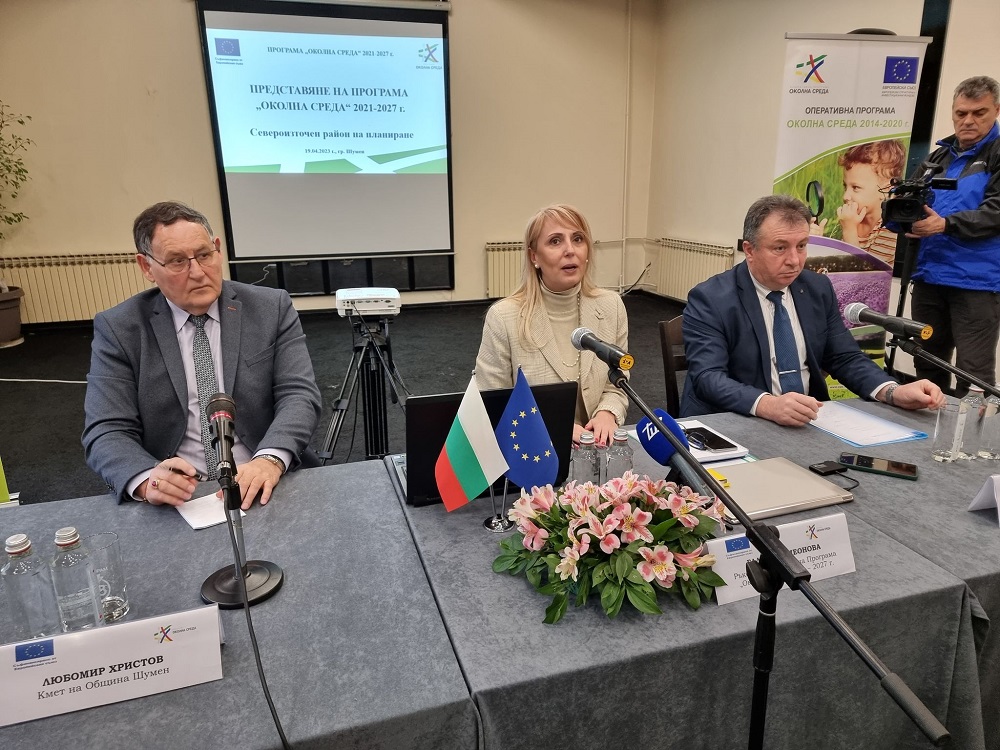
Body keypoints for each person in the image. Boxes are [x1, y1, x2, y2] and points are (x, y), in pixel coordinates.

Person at [83, 201, 322, 508]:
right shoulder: (120, 328)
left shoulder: (270, 308)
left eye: (205, 255)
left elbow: (298, 395)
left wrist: (270, 459)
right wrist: (146, 479)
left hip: (265, 478)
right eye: (177, 261)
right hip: (180, 498)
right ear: (147, 267)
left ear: (217, 249)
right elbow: (106, 428)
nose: (197, 272)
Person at [681, 195, 943, 426]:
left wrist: (892, 391)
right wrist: (767, 404)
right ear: (750, 250)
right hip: (735, 421)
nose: (794, 260)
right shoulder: (711, 298)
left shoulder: (817, 287)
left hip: (808, 420)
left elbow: (844, 358)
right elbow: (707, 377)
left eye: (802, 246)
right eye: (780, 248)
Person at [474, 204, 628, 445]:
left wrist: (607, 413)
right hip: (534, 452)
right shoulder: (504, 317)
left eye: (578, 239)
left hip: (597, 448)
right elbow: (492, 403)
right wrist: (556, 426)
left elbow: (617, 382)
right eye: (555, 241)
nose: (570, 250)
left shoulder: (611, 306)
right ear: (534, 256)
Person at [908, 75, 1000, 396]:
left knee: (973, 375)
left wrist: (945, 224)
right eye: (961, 113)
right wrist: (899, 216)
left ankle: (972, 432)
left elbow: (996, 212)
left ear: (996, 110)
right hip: (929, 278)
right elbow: (910, 204)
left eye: (979, 113)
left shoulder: (997, 153)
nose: (968, 121)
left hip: (976, 284)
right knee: (926, 364)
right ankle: (923, 428)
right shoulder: (937, 157)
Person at [836, 140, 906, 264]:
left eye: (856, 187)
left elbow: (862, 272)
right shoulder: (854, 218)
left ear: (887, 189)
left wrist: (849, 231)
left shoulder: (891, 229)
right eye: (845, 186)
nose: (845, 196)